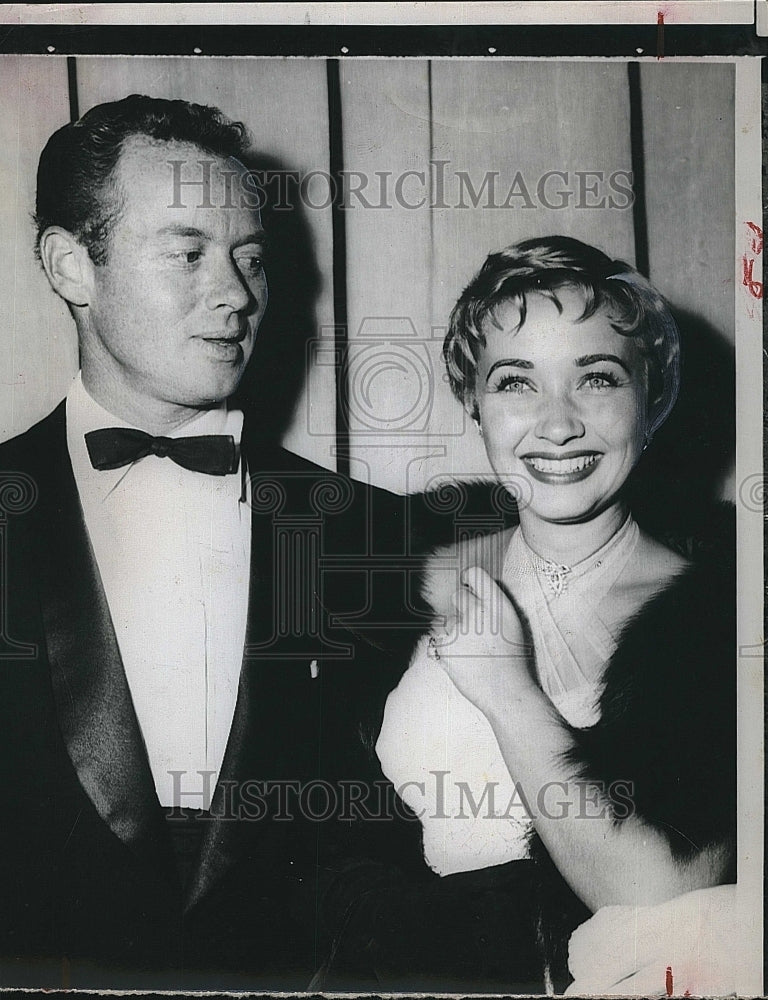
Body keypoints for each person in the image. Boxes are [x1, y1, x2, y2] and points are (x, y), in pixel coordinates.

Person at [0, 94, 423, 990]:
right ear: (71, 265)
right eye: (187, 253)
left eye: (249, 258)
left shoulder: (373, 533)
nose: (237, 293)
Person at [315, 237, 736, 992]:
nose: (557, 422)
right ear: (472, 400)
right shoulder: (391, 589)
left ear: (654, 396)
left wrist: (508, 692)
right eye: (516, 383)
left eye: (596, 378)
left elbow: (664, 897)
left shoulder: (717, 616)